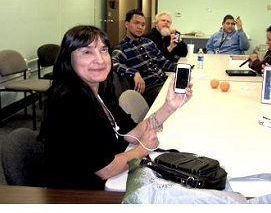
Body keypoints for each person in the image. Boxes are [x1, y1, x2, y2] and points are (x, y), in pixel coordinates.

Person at [39, 25, 193, 190]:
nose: (100, 59)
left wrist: (170, 106)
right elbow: (105, 169)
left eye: (103, 50)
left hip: (108, 181)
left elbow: (132, 134)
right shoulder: (69, 104)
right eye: (87, 52)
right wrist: (142, 150)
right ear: (68, 59)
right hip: (79, 194)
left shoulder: (100, 91)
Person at [112, 9, 178, 106]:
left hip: (164, 81)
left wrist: (183, 68)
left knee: (188, 91)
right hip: (150, 90)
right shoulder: (122, 48)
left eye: (143, 24)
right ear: (126, 24)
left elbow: (163, 62)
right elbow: (112, 63)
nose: (140, 27)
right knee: (177, 101)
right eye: (136, 23)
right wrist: (133, 72)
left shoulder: (148, 42)